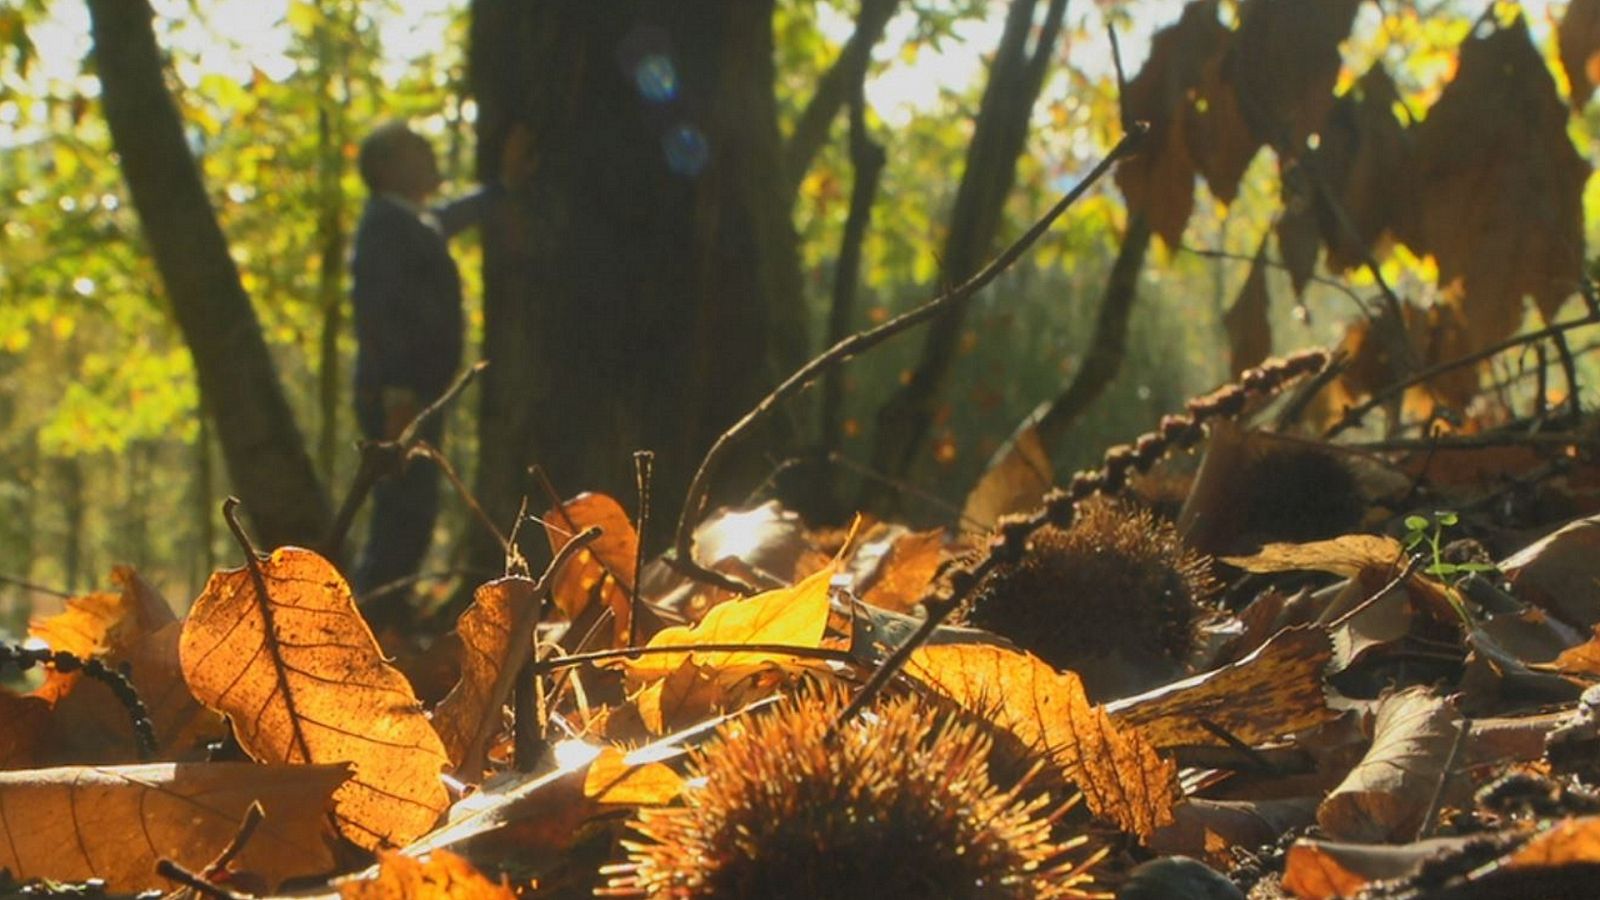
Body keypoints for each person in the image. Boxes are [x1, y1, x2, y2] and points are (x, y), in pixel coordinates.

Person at [350, 121, 491, 621]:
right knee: (403, 512)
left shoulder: (406, 221)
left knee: (413, 507)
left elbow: (444, 219)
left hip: (414, 394)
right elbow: (380, 314)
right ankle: (374, 619)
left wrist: (501, 189)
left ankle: (384, 616)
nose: (432, 157)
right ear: (387, 169)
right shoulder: (384, 228)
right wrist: (397, 397)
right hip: (399, 397)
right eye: (418, 151)